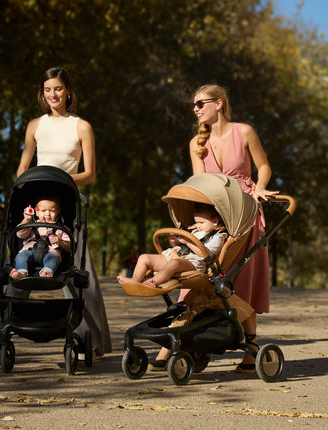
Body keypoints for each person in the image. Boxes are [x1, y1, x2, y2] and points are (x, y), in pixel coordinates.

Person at [0, 66, 112, 356]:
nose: (53, 94)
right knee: (17, 264)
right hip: (37, 200)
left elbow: (91, 173)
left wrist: (61, 179)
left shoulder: (81, 126)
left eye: (58, 88)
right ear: (42, 93)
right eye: (47, 90)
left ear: (68, 90)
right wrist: (25, 186)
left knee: (81, 270)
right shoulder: (35, 125)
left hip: (67, 200)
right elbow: (23, 166)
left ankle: (94, 342)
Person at [188, 84, 279, 373]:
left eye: (201, 103)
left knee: (241, 279)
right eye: (194, 105)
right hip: (216, 215)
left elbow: (263, 167)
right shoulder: (196, 144)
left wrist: (260, 189)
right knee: (196, 270)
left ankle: (251, 349)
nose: (196, 109)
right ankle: (177, 342)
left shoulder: (245, 131)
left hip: (246, 210)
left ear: (219, 103)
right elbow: (199, 187)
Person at [117, 203, 228, 287]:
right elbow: (180, 245)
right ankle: (135, 280)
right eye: (196, 222)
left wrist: (188, 242)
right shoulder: (195, 231)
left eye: (201, 222)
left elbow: (206, 253)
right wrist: (174, 241)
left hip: (193, 263)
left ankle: (154, 281)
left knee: (174, 263)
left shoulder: (218, 237)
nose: (198, 225)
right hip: (175, 255)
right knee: (144, 257)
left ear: (215, 221)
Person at [10, 197, 70, 279]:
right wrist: (26, 219)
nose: (48, 214)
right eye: (43, 211)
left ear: (58, 211)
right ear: (37, 212)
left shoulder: (61, 228)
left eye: (52, 211)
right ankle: (21, 272)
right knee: (21, 256)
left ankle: (47, 272)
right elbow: (20, 234)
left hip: (50, 253)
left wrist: (60, 242)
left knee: (53, 259)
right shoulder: (31, 224)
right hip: (30, 251)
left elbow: (69, 247)